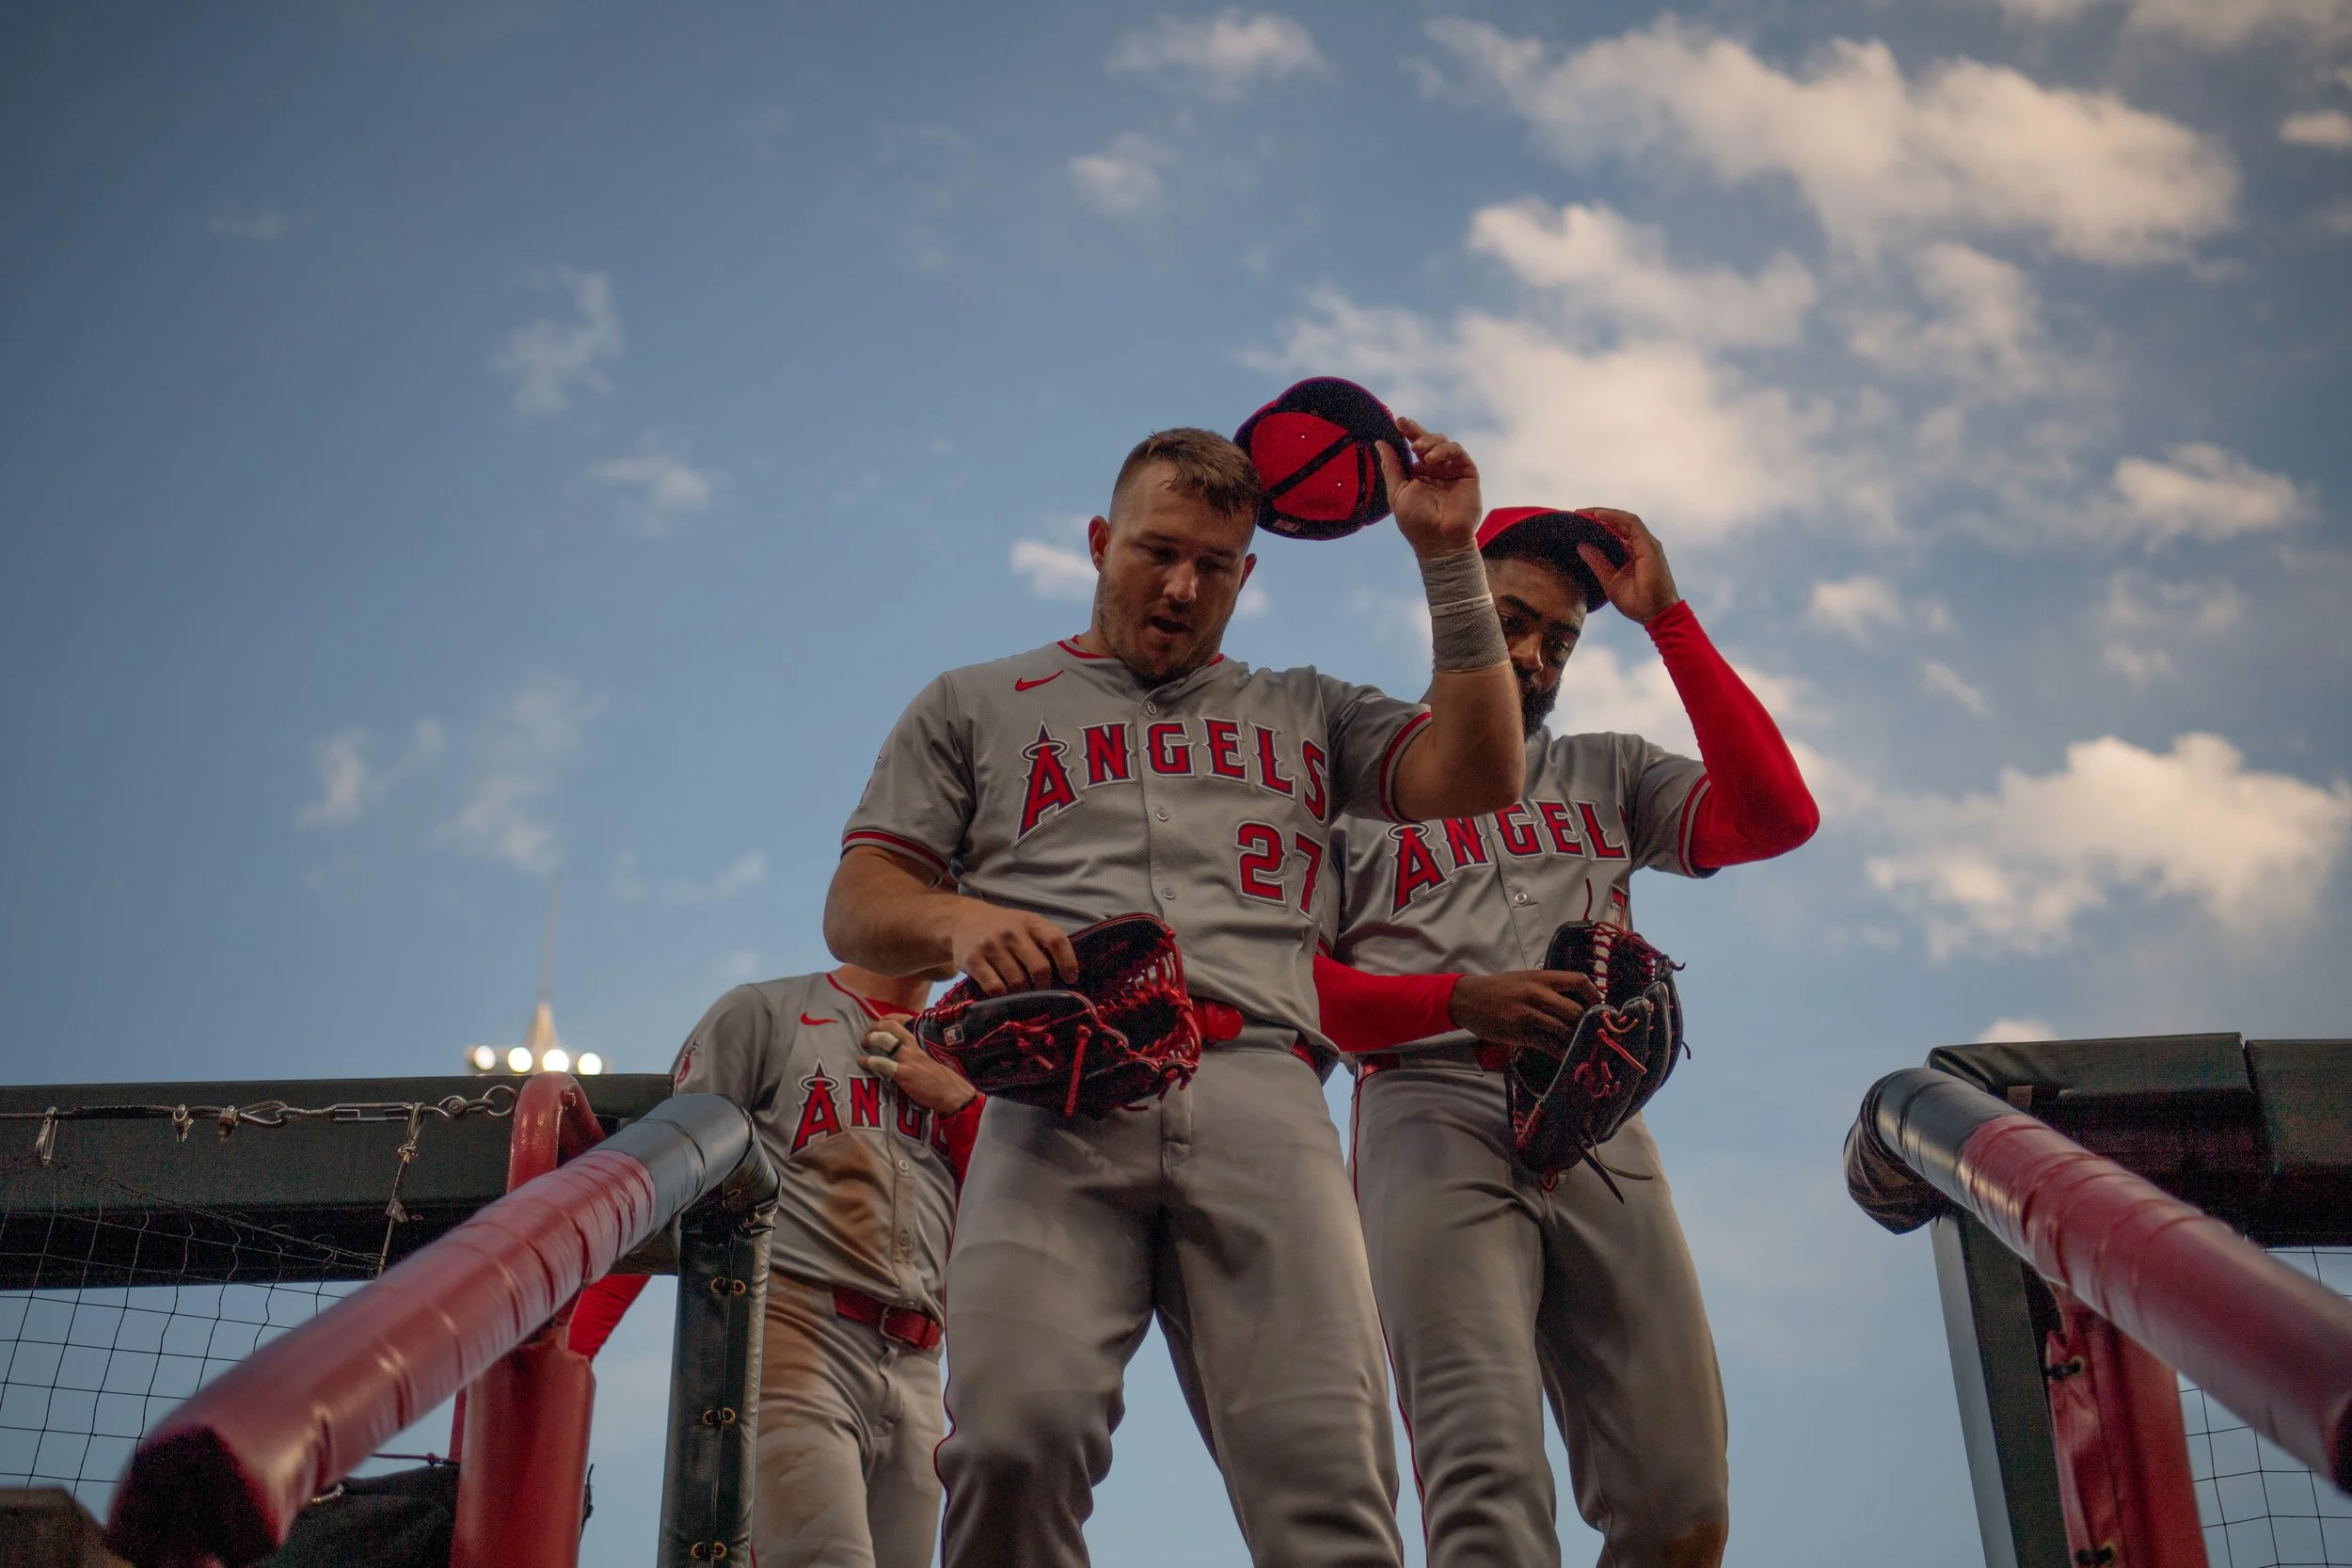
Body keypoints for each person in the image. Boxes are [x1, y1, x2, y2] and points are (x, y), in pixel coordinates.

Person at [822, 421, 1526, 1567]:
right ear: (1100, 542)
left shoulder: (1309, 706)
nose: (1182, 585)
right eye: (1156, 551)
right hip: (1053, 1095)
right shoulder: (975, 700)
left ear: (1247, 574)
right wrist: (961, 919)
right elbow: (858, 898)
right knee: (1010, 1437)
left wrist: (1449, 558)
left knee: (1331, 1484)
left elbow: (1482, 773)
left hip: (1260, 1086)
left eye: (1213, 564)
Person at [1313, 505, 1819, 1568]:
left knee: (1682, 1500)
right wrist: (1452, 999)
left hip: (1598, 1120)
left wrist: (1667, 618)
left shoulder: (1607, 769)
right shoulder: (1355, 782)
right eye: (1508, 619)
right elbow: (1290, 987)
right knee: (1487, 1489)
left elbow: (1776, 817)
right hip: (1428, 1105)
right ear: (1453, 613)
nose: (1534, 652)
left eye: (1558, 637)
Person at [664, 962, 982, 1568]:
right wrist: (573, 1347)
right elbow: (667, 1188)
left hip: (923, 1365)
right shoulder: (766, 1013)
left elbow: (1001, 1230)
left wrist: (963, 1106)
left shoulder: (969, 1051)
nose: (951, 881)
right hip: (794, 1329)